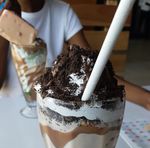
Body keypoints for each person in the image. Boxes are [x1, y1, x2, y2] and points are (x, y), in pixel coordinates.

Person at [0, 0, 150, 111]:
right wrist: (4, 26)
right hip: (8, 112)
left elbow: (94, 71)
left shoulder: (62, 12)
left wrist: (145, 98)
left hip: (51, 110)